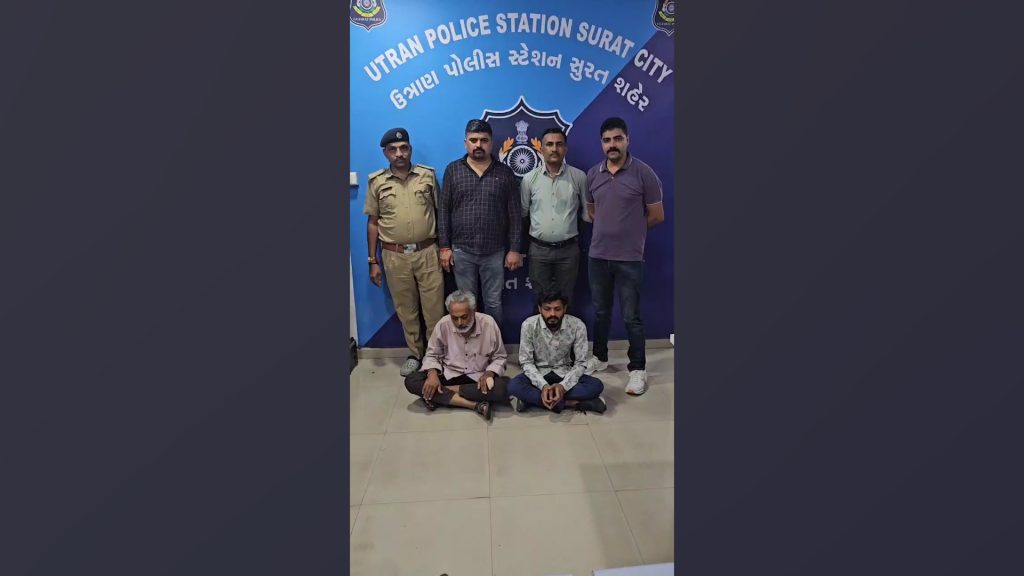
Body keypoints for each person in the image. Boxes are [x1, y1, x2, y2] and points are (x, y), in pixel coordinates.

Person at [584, 117, 665, 395]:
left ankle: (638, 369)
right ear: (601, 144)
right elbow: (592, 211)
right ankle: (600, 357)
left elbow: (656, 215)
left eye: (617, 139)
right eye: (607, 140)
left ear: (627, 140)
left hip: (630, 258)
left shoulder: (644, 173)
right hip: (598, 256)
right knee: (601, 312)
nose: (612, 145)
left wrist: (630, 233)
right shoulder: (593, 175)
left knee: (631, 316)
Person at [364, 127, 445, 376]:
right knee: (406, 309)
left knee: (434, 309)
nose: (399, 153)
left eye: (404, 148)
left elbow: (440, 214)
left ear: (410, 149)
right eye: (393, 149)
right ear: (385, 153)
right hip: (394, 255)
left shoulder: (427, 176)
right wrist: (372, 260)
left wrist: (444, 247)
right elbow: (373, 222)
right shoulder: (377, 182)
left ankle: (435, 356)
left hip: (427, 252)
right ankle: (415, 354)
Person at [438, 119, 523, 325]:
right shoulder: (453, 170)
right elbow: (443, 211)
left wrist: (514, 249)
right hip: (462, 251)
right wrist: (444, 247)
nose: (478, 145)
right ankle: (469, 344)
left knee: (493, 302)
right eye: (473, 140)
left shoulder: (504, 172)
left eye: (484, 140)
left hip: (494, 251)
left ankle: (494, 343)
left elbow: (515, 215)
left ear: (491, 143)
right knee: (466, 305)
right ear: (465, 143)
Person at [403, 290, 510, 421]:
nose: (459, 322)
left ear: (474, 311)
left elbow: (500, 356)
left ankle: (439, 394)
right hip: (450, 374)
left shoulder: (488, 323)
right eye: (454, 318)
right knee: (411, 380)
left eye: (464, 317)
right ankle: (474, 405)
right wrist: (432, 374)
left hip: (478, 377)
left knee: (502, 387)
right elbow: (432, 354)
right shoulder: (443, 324)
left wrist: (489, 373)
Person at [520, 128, 590, 303]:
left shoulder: (579, 177)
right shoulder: (529, 179)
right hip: (538, 250)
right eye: (549, 144)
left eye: (559, 144)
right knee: (540, 300)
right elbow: (523, 214)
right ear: (541, 149)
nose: (554, 149)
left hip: (569, 250)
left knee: (566, 300)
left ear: (565, 148)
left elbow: (587, 214)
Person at [508, 292, 606, 413]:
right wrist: (543, 386)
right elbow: (526, 362)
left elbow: (581, 363)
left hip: (564, 372)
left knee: (596, 386)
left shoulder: (577, 325)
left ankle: (533, 400)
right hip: (539, 372)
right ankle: (572, 403)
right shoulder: (529, 325)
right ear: (540, 308)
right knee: (514, 386)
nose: (552, 314)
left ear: (565, 308)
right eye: (547, 309)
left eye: (557, 309)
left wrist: (562, 387)